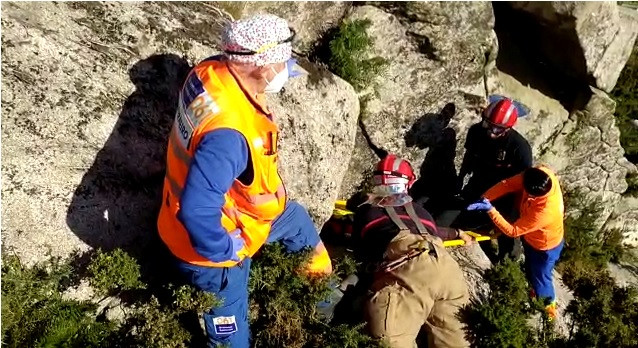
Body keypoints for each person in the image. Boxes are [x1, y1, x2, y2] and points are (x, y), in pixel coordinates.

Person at [156, 14, 332, 347]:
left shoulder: (210, 73)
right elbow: (196, 209)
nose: (289, 67)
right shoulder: (230, 135)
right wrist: (223, 249)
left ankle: (324, 301)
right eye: (284, 60)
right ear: (262, 68)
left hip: (244, 212)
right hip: (212, 252)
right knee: (229, 337)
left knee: (296, 221)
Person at [351, 154, 474, 348]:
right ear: (408, 182)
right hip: (448, 271)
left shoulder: (367, 211)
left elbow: (360, 251)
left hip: (410, 271)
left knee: (388, 339)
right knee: (457, 341)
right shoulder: (421, 211)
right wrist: (457, 232)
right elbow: (435, 231)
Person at [467, 166, 564, 320]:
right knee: (530, 270)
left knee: (541, 278)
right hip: (533, 238)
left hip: (545, 247)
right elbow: (508, 184)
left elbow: (513, 231)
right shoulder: (539, 174)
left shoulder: (545, 212)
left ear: (534, 195)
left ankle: (549, 309)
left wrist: (490, 209)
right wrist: (486, 198)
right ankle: (534, 291)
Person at [456, 96, 533, 263]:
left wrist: (518, 210)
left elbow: (524, 182)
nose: (491, 132)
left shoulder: (519, 148)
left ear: (508, 128)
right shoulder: (476, 132)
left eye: (497, 129)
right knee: (462, 220)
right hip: (479, 185)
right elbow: (469, 156)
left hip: (506, 196)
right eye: (488, 125)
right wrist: (461, 178)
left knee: (507, 229)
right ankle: (480, 229)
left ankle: (508, 261)